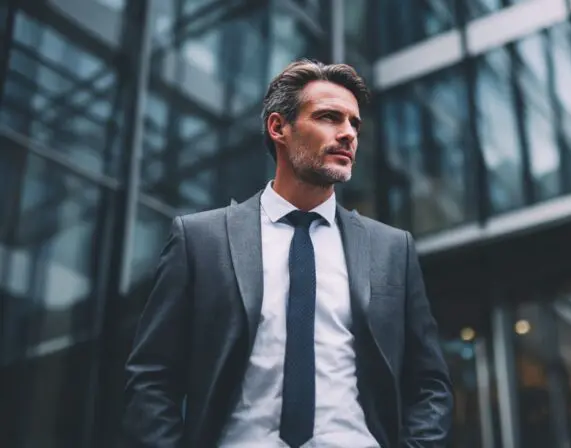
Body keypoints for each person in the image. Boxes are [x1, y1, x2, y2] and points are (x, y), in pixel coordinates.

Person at [121, 59, 453, 448]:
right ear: (279, 127)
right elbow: (152, 378)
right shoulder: (200, 240)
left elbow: (429, 383)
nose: (347, 134)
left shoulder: (393, 249)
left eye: (354, 124)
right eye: (330, 117)